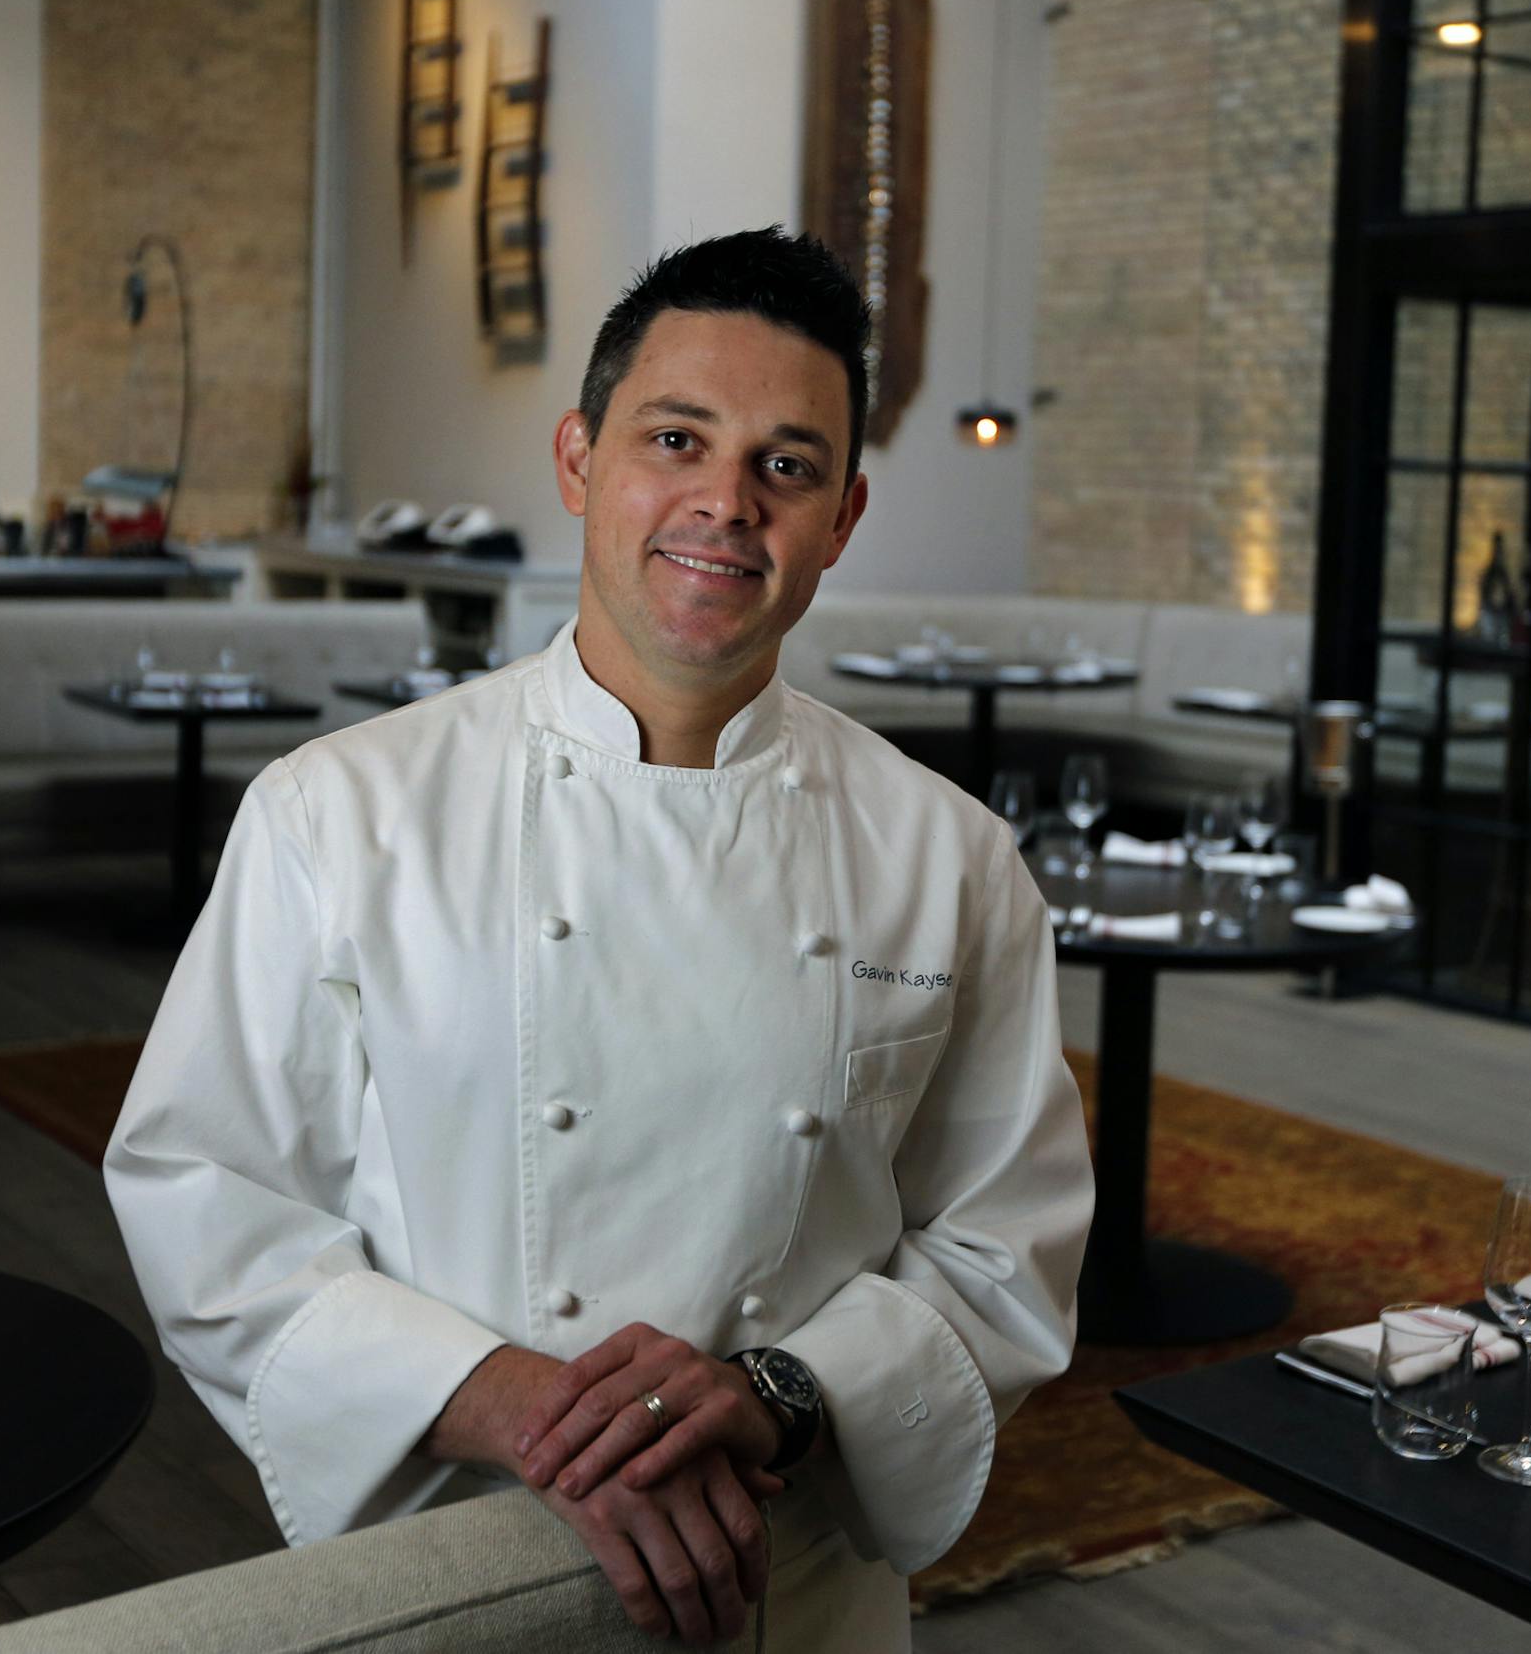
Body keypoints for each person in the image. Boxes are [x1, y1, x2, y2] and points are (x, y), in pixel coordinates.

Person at [105, 227, 1094, 1650]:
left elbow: (1009, 1241)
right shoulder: (340, 810)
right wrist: (514, 1398)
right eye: (676, 438)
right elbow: (207, 1187)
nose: (726, 503)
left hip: (786, 1580)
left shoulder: (950, 857)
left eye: (787, 464)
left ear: (844, 515)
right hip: (451, 1564)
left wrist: (780, 1392)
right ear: (579, 459)